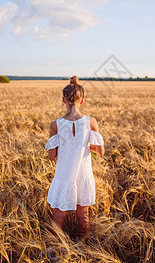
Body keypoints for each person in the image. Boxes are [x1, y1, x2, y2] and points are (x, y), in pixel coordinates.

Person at [45, 75, 105, 241]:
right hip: (83, 176)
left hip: (64, 176)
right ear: (82, 100)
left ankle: (52, 250)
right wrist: (83, 144)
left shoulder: (55, 125)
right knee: (83, 217)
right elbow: (100, 151)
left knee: (58, 217)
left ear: (63, 99)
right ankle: (85, 249)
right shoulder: (91, 122)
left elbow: (51, 157)